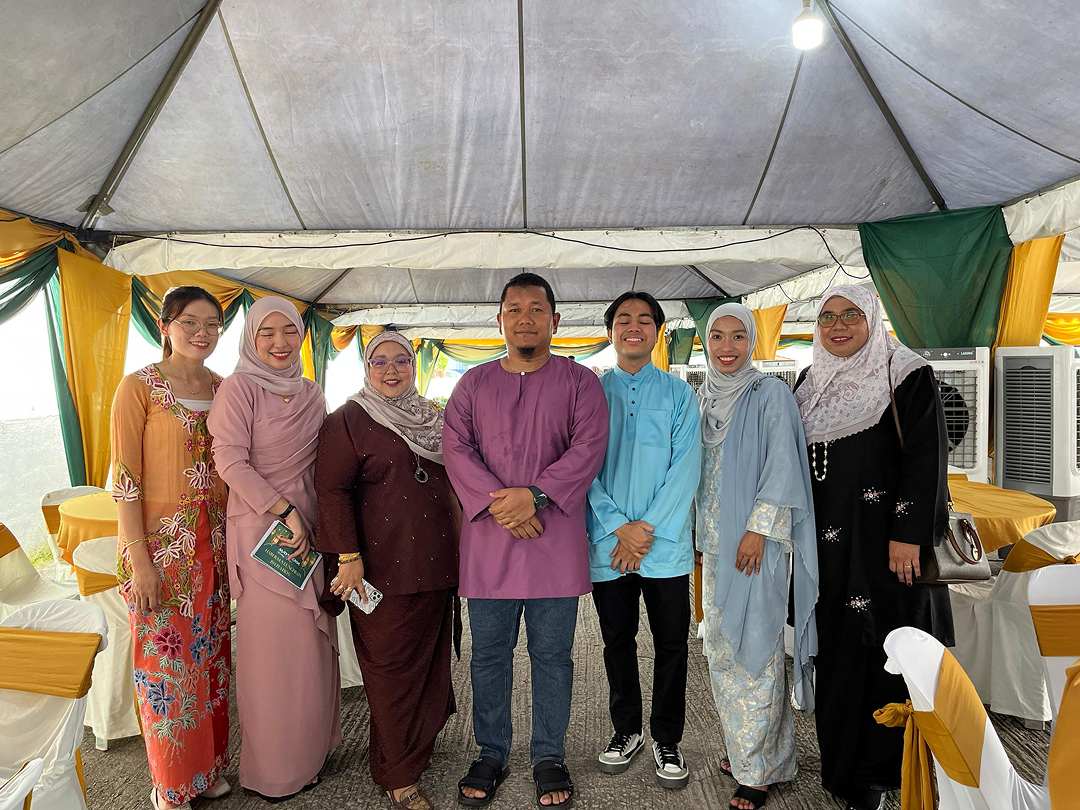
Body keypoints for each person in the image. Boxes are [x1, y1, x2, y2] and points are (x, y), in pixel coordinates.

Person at [443, 273, 609, 808]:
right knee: (488, 655)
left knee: (553, 656)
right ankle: (491, 751)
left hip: (552, 545)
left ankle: (548, 755)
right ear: (500, 321)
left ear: (555, 321)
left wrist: (534, 496)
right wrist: (506, 505)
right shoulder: (472, 385)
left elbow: (588, 448)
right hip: (490, 545)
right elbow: (456, 449)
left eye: (536, 309)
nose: (525, 319)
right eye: (514, 309)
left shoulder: (581, 383)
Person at [794, 285, 952, 810]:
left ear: (872, 320)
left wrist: (908, 534)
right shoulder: (809, 381)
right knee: (837, 652)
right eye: (827, 317)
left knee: (886, 653)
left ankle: (886, 774)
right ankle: (844, 771)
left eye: (850, 315)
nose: (837, 326)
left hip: (886, 550)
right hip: (829, 550)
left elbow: (928, 458)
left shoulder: (905, 374)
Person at [315, 331, 458, 810]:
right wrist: (347, 557)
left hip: (435, 566)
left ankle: (414, 750)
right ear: (366, 368)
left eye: (401, 361)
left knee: (430, 666)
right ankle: (398, 775)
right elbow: (331, 491)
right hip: (378, 569)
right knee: (390, 671)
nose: (392, 370)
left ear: (414, 366)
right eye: (380, 362)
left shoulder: (430, 417)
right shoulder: (349, 420)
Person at [206, 297, 339, 800]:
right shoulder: (239, 389)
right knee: (271, 654)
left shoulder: (311, 392)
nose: (280, 343)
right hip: (263, 530)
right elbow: (230, 462)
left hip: (309, 531)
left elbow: (324, 463)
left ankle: (311, 755)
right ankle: (275, 771)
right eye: (268, 333)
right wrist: (284, 511)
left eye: (290, 332)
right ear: (251, 339)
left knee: (309, 646)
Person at [110, 286, 232, 810]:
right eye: (189, 322)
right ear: (164, 326)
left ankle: (208, 769)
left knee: (211, 662)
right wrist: (140, 562)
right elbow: (124, 482)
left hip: (217, 547)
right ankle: (172, 783)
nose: (201, 333)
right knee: (165, 665)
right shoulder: (138, 387)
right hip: (161, 553)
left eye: (212, 324)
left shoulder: (226, 388)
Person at [695, 303, 818, 810]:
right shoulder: (705, 395)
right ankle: (758, 753)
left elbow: (783, 466)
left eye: (738, 337)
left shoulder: (770, 394)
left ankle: (756, 772)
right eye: (717, 337)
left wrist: (758, 530)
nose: (727, 347)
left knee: (758, 649)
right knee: (722, 648)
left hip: (754, 546)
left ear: (752, 342)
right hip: (713, 545)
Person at [586, 292, 701, 789]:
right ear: (610, 330)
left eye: (644, 320)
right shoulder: (590, 393)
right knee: (617, 640)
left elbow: (686, 468)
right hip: (609, 545)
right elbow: (581, 468)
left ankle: (667, 737)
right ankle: (627, 730)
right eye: (623, 319)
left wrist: (644, 530)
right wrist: (619, 527)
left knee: (672, 644)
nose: (634, 327)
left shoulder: (679, 395)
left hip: (665, 547)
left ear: (658, 331)